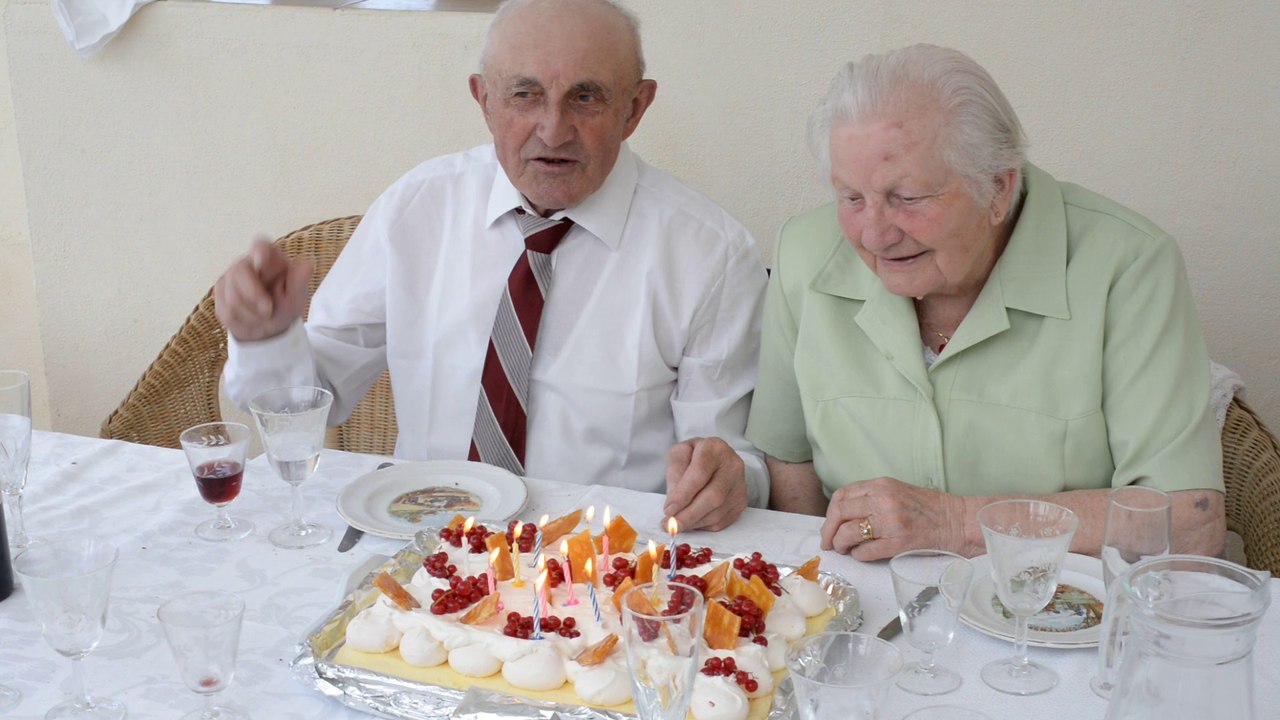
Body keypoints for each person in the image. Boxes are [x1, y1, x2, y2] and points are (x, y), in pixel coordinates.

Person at [213, 0, 768, 531]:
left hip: (598, 563)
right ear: (484, 102)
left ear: (635, 109)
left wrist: (725, 478)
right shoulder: (419, 207)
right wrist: (268, 339)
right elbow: (311, 401)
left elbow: (727, 457)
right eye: (524, 95)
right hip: (424, 544)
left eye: (586, 97)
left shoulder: (711, 254)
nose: (553, 129)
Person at [746, 44, 1225, 560]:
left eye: (907, 198)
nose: (874, 234)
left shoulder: (1129, 266)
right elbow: (787, 460)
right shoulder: (804, 254)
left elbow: (1186, 521)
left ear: (997, 188)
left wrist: (955, 524)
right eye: (851, 198)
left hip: (1060, 602)